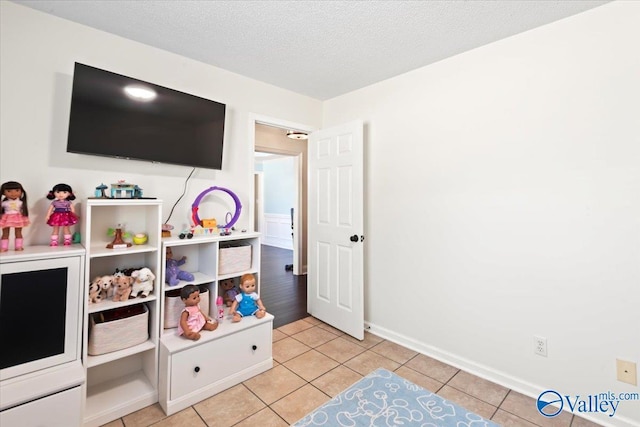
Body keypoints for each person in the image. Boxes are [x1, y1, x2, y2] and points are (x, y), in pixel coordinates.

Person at [0, 181, 30, 252]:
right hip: (6, 218)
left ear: (21, 191)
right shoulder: (4, 203)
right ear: (3, 192)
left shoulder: (21, 202)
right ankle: (4, 247)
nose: (13, 193)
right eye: (9, 191)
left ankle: (18, 246)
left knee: (18, 232)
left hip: (18, 217)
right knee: (5, 232)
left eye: (17, 190)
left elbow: (23, 210)